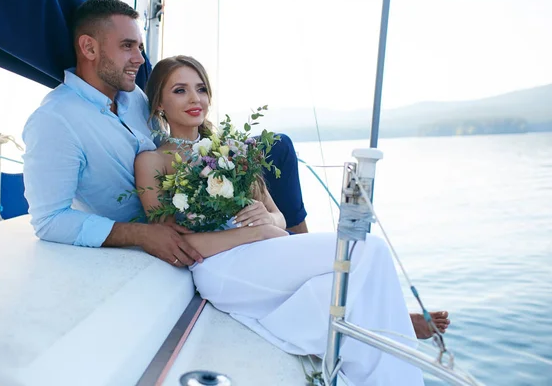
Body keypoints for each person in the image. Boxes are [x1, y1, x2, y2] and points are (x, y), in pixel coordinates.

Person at [135, 55, 450, 385]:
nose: (195, 99)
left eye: (200, 89)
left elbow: (279, 218)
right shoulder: (153, 160)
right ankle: (398, 329)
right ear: (159, 103)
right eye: (180, 90)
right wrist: (256, 234)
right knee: (367, 250)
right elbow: (174, 244)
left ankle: (390, 341)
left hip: (264, 250)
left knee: (351, 288)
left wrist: (265, 218)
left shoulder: (230, 150)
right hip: (219, 266)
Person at [21, 0, 307, 268]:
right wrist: (140, 234)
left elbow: (178, 140)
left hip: (193, 201)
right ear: (89, 48)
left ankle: (299, 240)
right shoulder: (54, 120)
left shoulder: (133, 98)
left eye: (140, 47)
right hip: (166, 223)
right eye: (127, 46)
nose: (140, 59)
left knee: (278, 146)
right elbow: (49, 219)